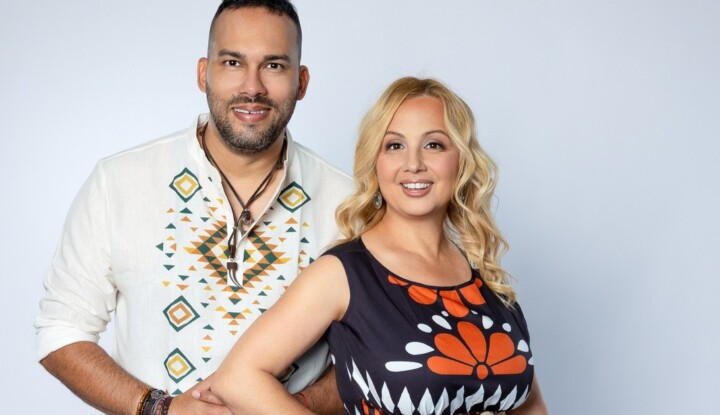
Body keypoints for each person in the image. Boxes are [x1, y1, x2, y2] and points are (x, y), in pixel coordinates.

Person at [34, 1, 351, 414]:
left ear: (301, 81)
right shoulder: (119, 182)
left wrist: (286, 406)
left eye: (273, 65)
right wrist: (161, 409)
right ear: (204, 73)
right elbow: (60, 330)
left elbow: (376, 348)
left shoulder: (349, 203)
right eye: (233, 62)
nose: (252, 87)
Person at [206, 77, 549, 414]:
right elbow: (238, 378)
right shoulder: (345, 274)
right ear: (375, 161)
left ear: (461, 160)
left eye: (434, 145)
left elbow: (530, 403)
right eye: (394, 146)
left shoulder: (482, 274)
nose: (413, 164)